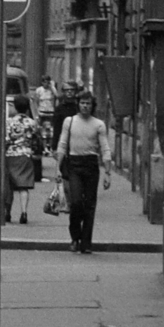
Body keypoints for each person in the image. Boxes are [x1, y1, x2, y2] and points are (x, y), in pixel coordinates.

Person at [55, 91, 111, 254]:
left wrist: (107, 173)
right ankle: (75, 237)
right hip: (74, 164)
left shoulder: (98, 124)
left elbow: (105, 148)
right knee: (77, 201)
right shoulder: (70, 121)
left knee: (90, 205)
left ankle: (86, 242)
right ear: (78, 104)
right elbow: (62, 144)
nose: (85, 106)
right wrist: (58, 168)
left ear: (92, 106)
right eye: (82, 103)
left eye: (88, 103)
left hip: (91, 165)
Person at [4, 94, 42, 224]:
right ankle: (24, 212)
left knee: (9, 187)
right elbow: (36, 139)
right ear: (27, 108)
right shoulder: (32, 123)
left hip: (10, 155)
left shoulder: (9, 122)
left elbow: (6, 140)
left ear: (15, 107)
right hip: (25, 155)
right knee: (23, 186)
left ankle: (7, 213)